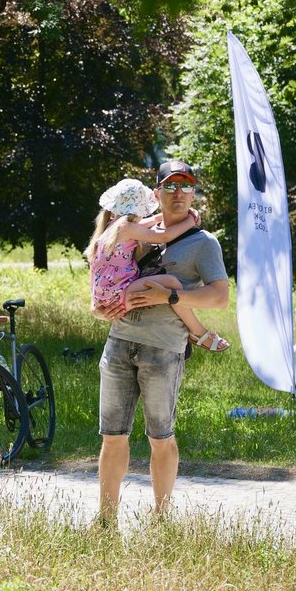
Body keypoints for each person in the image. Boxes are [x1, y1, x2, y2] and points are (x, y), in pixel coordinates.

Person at [91, 160, 230, 525]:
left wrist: (168, 298)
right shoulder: (136, 232)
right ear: (156, 194)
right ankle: (106, 521)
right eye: (170, 186)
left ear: (194, 193)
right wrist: (104, 308)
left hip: (163, 349)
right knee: (112, 437)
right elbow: (106, 273)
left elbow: (219, 297)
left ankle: (161, 519)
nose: (178, 193)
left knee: (160, 437)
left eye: (186, 186)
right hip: (119, 343)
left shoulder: (204, 243)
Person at [85, 178, 230, 353]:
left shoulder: (111, 228)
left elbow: (151, 221)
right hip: (120, 292)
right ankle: (199, 332)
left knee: (168, 284)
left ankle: (196, 333)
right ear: (136, 210)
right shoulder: (126, 228)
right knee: (171, 283)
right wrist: (191, 221)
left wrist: (165, 215)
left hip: (108, 296)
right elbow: (164, 236)